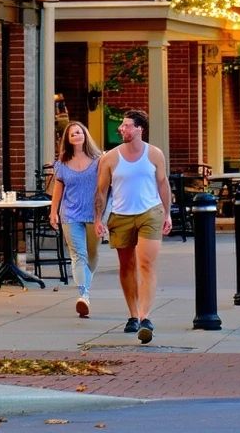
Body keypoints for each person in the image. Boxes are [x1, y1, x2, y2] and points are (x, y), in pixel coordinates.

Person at [94, 110, 171, 344]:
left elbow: (162, 183)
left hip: (150, 213)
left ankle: (145, 317)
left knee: (146, 263)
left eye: (127, 126)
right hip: (121, 215)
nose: (122, 129)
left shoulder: (154, 154)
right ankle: (132, 314)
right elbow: (101, 191)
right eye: (122, 126)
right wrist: (98, 219)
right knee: (126, 266)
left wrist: (167, 214)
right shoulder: (109, 158)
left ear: (140, 129)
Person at [49, 122, 102, 318]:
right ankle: (83, 295)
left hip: (94, 215)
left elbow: (107, 187)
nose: (77, 136)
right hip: (70, 214)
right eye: (72, 134)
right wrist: (53, 211)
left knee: (92, 253)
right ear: (68, 140)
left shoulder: (99, 160)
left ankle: (85, 284)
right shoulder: (62, 163)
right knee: (78, 254)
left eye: (79, 132)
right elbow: (58, 188)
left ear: (85, 135)